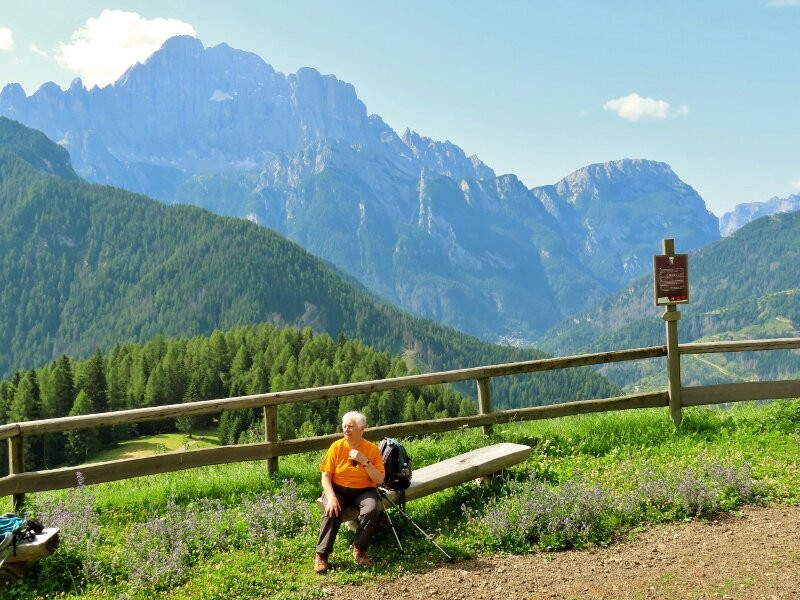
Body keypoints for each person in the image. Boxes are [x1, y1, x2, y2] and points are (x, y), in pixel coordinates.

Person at [314, 411, 385, 573]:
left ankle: (359, 549)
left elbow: (380, 479)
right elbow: (325, 476)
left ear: (362, 429)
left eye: (351, 426)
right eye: (344, 426)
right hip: (338, 489)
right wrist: (331, 498)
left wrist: (364, 460)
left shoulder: (371, 449)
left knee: (372, 509)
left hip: (364, 490)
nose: (346, 430)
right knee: (333, 509)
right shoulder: (337, 447)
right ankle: (322, 555)